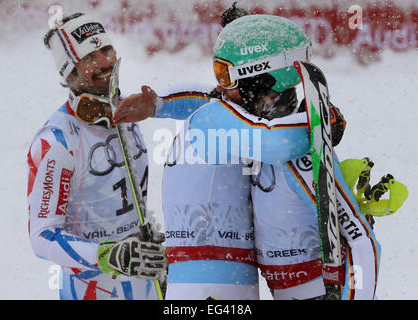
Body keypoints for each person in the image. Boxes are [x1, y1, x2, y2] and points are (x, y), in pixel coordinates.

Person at [113, 11, 387, 300]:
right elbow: (269, 136)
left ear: (258, 79)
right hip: (220, 286)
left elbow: (361, 239)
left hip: (227, 285)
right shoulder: (225, 121)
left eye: (225, 74)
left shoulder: (276, 144)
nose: (219, 85)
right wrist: (322, 122)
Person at [27, 13, 166, 300]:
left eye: (106, 49)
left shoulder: (125, 114)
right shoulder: (57, 140)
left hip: (146, 283)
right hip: (92, 289)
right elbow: (42, 237)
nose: (105, 62)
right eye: (90, 56)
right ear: (70, 74)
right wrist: (108, 255)